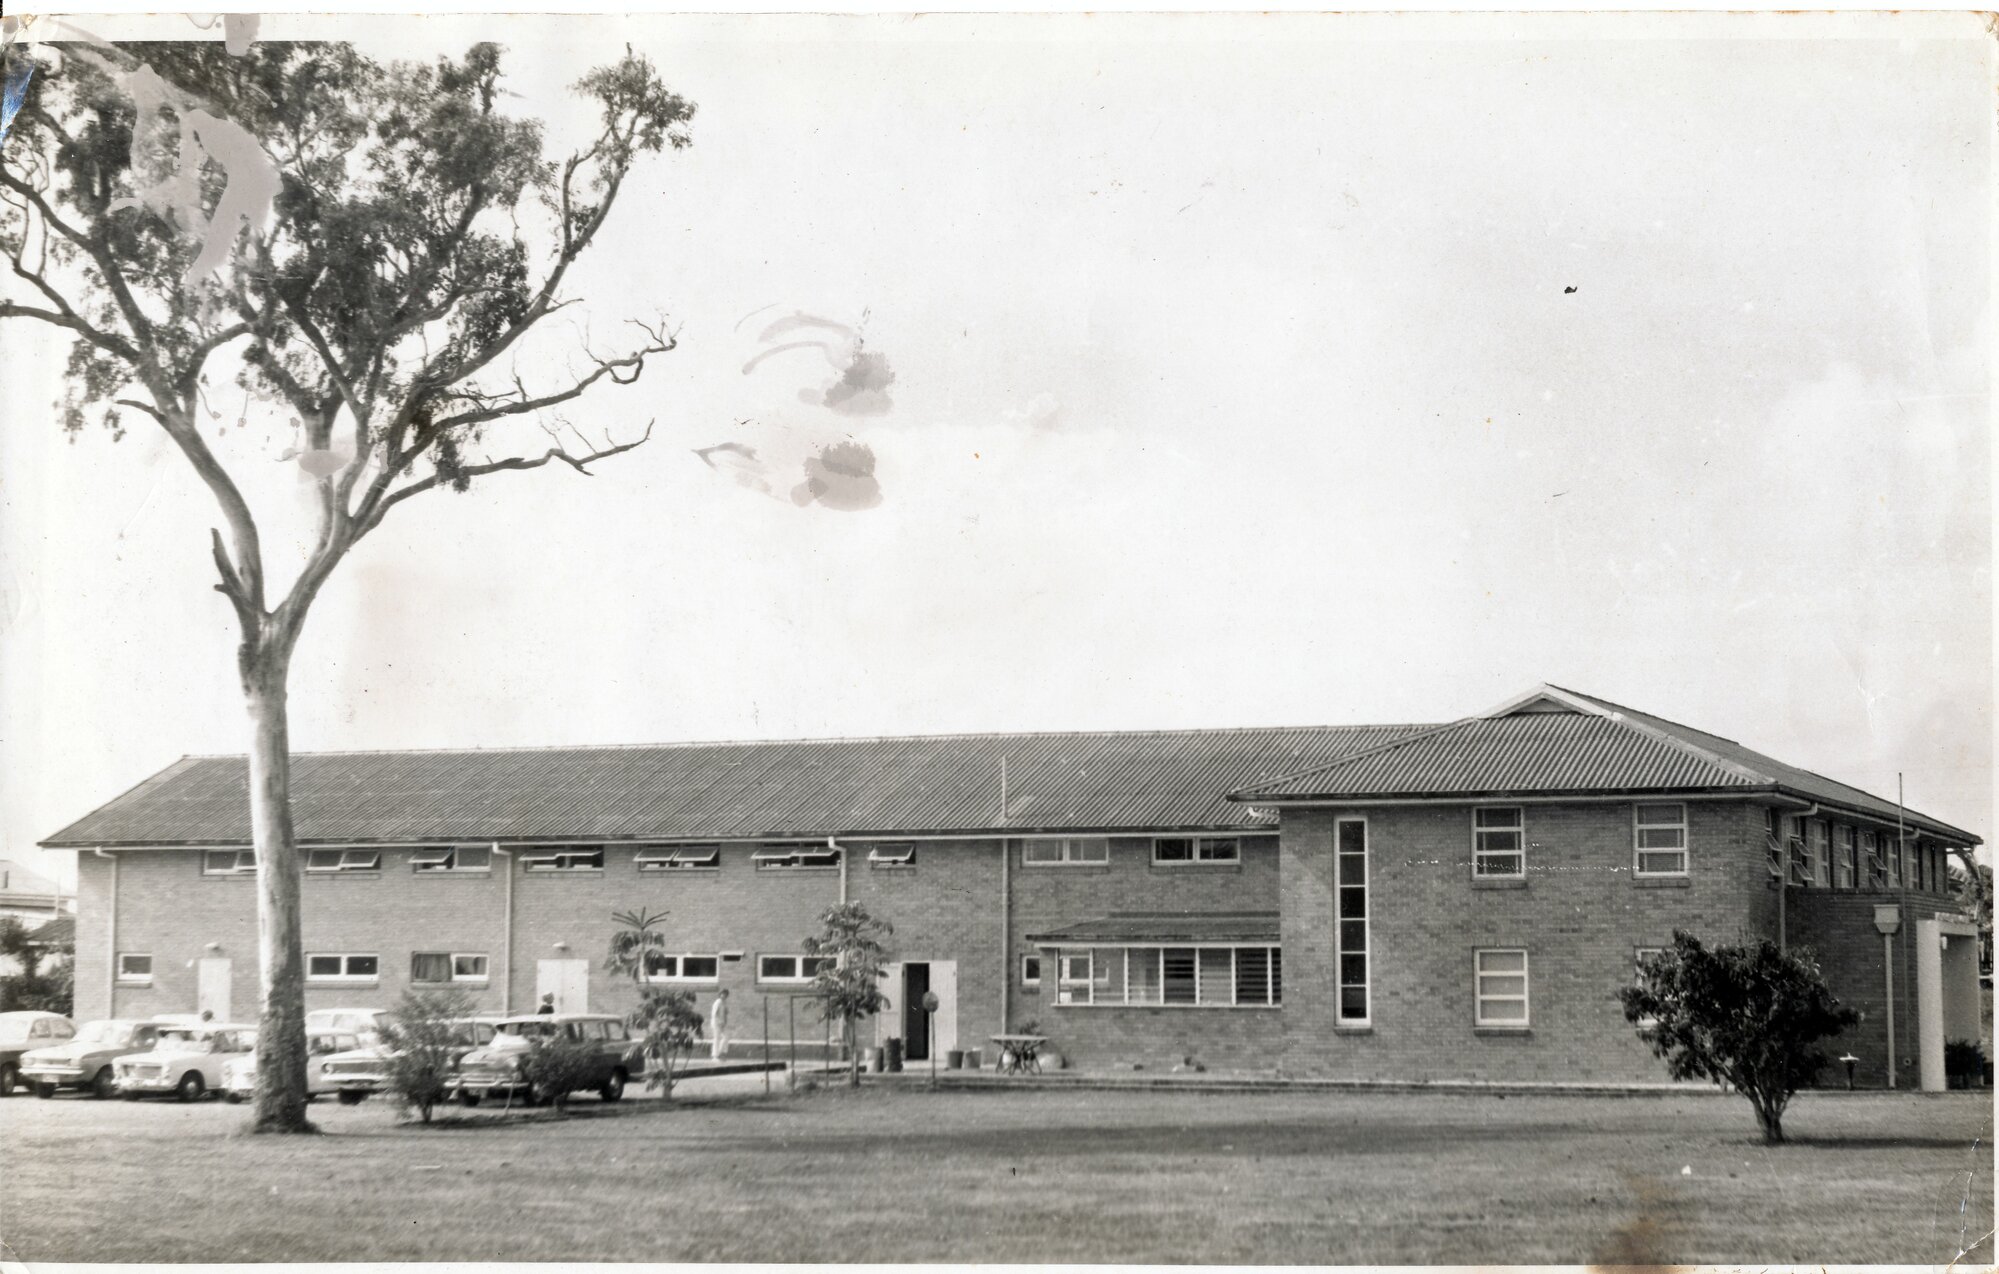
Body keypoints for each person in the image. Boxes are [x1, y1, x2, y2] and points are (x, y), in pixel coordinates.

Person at [708, 989, 729, 1061]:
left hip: (722, 1023)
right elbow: (714, 1014)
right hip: (716, 1023)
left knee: (726, 1037)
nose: (724, 995)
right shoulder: (717, 1002)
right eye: (723, 994)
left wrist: (725, 1022)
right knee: (716, 1038)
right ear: (720, 994)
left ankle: (719, 1053)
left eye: (726, 994)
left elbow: (726, 1013)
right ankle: (715, 1056)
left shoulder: (724, 1002)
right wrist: (719, 1022)